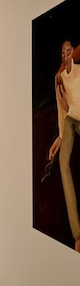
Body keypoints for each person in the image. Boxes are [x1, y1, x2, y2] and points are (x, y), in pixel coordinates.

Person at [54, 40, 80, 251]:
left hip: (77, 114)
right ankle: (78, 234)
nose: (65, 54)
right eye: (62, 52)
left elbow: (69, 107)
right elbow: (60, 110)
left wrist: (68, 106)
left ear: (73, 53)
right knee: (63, 164)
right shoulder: (59, 78)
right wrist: (61, 136)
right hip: (70, 119)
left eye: (68, 50)